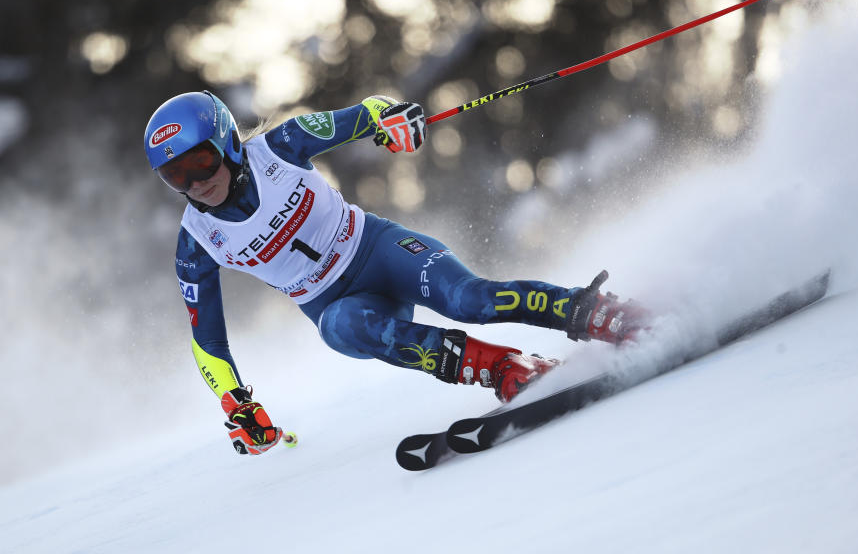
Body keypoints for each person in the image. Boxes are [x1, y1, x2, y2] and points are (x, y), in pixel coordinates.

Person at [143, 91, 648, 455]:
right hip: (341, 304)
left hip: (380, 250)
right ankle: (507, 369)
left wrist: (393, 120)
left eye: (201, 162)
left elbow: (367, 113)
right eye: (175, 176)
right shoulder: (196, 244)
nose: (195, 183)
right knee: (338, 330)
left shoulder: (281, 146)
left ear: (228, 143)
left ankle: (600, 313)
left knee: (470, 301)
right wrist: (237, 404)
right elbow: (207, 339)